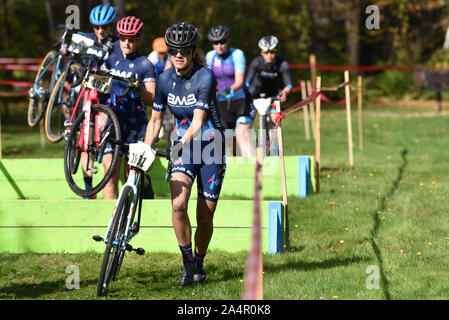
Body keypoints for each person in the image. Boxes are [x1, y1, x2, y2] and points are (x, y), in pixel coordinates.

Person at [144, 22, 226, 286]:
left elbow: (199, 122)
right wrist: (146, 149)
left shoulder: (205, 76)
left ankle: (200, 263)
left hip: (211, 145)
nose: (179, 55)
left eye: (184, 50)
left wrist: (176, 145)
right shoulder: (165, 80)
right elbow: (156, 120)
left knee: (205, 216)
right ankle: (188, 263)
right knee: (178, 205)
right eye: (174, 50)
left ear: (193, 51)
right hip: (183, 146)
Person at [101, 16, 156, 200]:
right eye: (123, 38)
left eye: (131, 39)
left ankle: (145, 186)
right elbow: (100, 85)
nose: (126, 42)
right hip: (114, 122)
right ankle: (106, 224)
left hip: (136, 125)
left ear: (139, 39)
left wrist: (138, 88)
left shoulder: (145, 64)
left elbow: (153, 98)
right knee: (109, 177)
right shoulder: (111, 60)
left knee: (130, 177)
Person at [80, 5, 119, 199]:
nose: (100, 31)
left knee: (105, 138)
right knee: (85, 141)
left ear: (110, 27)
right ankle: (88, 191)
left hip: (107, 96)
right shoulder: (86, 40)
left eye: (104, 27)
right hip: (87, 93)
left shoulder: (118, 44)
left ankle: (107, 185)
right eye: (96, 27)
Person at [205, 25, 255, 157]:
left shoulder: (237, 54)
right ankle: (239, 172)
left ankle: (255, 171)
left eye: (222, 41)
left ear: (228, 40)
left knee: (242, 133)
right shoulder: (210, 56)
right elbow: (209, 79)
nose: (219, 45)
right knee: (229, 139)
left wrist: (231, 89)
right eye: (215, 43)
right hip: (221, 102)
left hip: (241, 99)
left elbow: (239, 80)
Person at [245, 35, 293, 155]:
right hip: (256, 95)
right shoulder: (256, 62)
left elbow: (289, 85)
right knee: (246, 122)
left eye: (272, 52)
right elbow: (246, 83)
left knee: (274, 122)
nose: (269, 55)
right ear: (261, 52)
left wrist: (284, 93)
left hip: (274, 96)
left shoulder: (283, 63)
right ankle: (249, 152)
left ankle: (275, 154)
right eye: (265, 52)